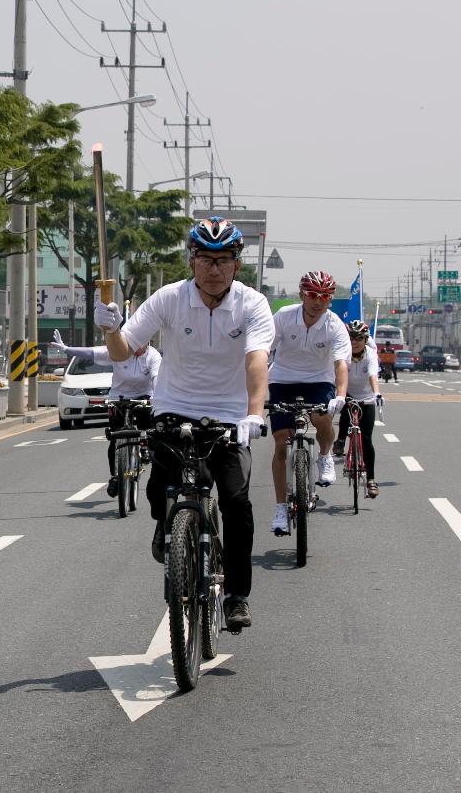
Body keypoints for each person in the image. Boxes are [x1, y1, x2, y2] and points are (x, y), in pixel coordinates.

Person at [93, 217, 275, 630]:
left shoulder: (252, 304)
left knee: (235, 501)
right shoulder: (169, 298)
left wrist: (254, 413)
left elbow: (256, 359)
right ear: (192, 261)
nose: (214, 269)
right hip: (174, 404)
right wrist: (110, 328)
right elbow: (124, 352)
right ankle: (165, 525)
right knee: (159, 487)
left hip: (229, 412)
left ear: (236, 265)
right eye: (205, 259)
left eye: (223, 260)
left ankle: (236, 596)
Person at [267, 270, 350, 536]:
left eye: (325, 297)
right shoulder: (284, 317)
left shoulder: (334, 324)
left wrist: (340, 395)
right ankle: (281, 508)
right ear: (302, 294)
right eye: (313, 295)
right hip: (282, 380)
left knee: (322, 418)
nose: (318, 302)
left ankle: (325, 456)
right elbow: (264, 349)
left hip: (318, 381)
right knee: (281, 440)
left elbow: (340, 364)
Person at [48, 327, 161, 498]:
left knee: (147, 419)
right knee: (115, 437)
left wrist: (158, 396)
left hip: (144, 396)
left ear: (147, 342)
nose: (137, 347)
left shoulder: (152, 356)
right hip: (119, 396)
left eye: (141, 343)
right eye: (134, 343)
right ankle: (115, 476)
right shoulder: (119, 351)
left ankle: (144, 445)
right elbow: (91, 353)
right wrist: (66, 349)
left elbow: (156, 377)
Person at [334, 319, 382, 499]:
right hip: (346, 392)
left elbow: (372, 375)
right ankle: (340, 441)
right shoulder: (342, 352)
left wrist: (377, 394)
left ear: (365, 339)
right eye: (350, 338)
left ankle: (371, 480)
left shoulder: (370, 354)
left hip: (367, 397)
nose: (354, 342)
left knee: (367, 438)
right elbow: (337, 373)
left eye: (358, 338)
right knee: (345, 403)